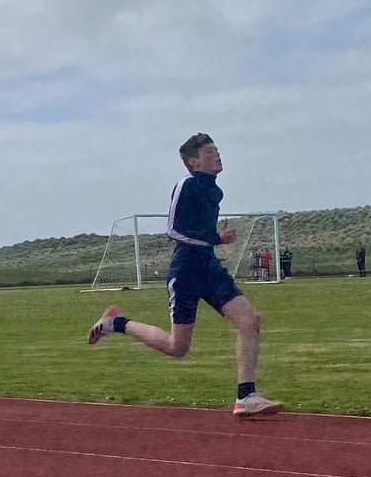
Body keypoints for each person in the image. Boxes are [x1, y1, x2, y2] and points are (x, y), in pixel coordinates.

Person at [87, 133, 280, 417]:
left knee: (249, 319)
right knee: (178, 347)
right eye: (210, 152)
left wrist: (217, 238)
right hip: (186, 269)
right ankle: (116, 323)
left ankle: (246, 395)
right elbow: (174, 230)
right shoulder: (186, 185)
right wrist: (214, 237)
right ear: (194, 162)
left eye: (217, 150)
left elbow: (202, 233)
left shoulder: (214, 191)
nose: (217, 155)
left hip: (209, 266)